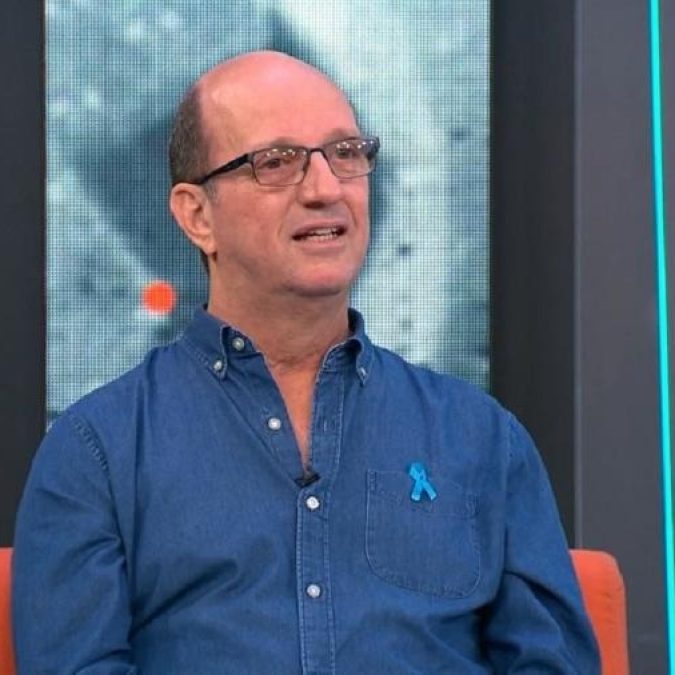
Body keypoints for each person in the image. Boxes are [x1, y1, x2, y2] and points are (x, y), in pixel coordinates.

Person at [13, 51, 599, 674]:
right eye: (277, 162)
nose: (325, 189)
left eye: (345, 153)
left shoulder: (481, 439)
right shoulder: (97, 451)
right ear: (197, 215)